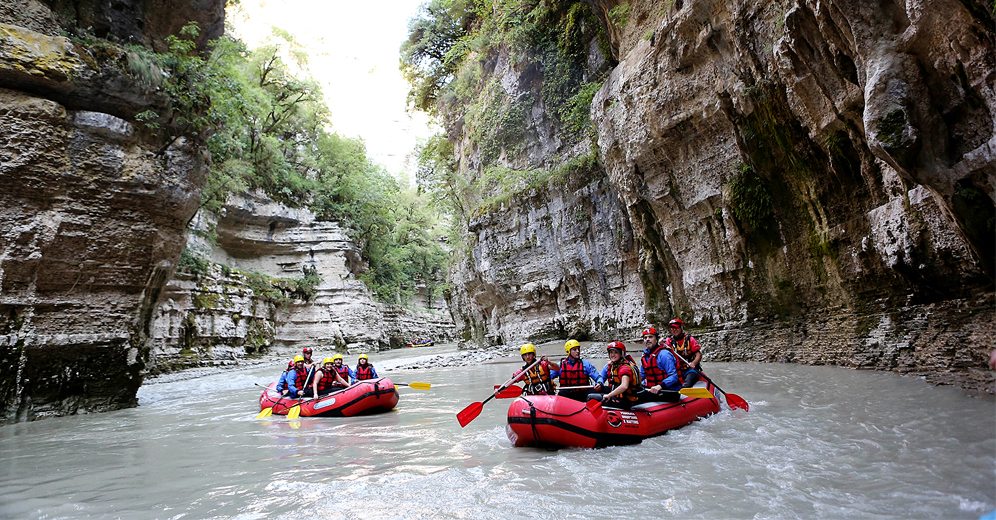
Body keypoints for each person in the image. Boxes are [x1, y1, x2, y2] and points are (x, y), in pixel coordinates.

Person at [588, 341, 643, 408]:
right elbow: (601, 376)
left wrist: (609, 395)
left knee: (591, 397)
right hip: (617, 394)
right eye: (611, 352)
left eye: (616, 352)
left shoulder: (625, 368)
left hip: (626, 399)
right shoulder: (611, 365)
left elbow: (624, 386)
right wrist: (599, 383)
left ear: (621, 354)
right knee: (591, 391)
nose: (613, 355)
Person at [639, 326, 682, 394]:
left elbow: (673, 376)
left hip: (667, 389)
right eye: (645, 338)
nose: (647, 339)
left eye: (650, 337)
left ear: (656, 339)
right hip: (651, 389)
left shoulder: (664, 354)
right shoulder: (645, 356)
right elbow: (642, 375)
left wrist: (660, 386)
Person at [664, 318, 702, 387]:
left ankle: (685, 388)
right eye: (672, 328)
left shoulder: (690, 339)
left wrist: (693, 363)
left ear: (681, 328)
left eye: (676, 328)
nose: (674, 330)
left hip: (689, 369)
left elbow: (698, 355)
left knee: (688, 382)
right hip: (676, 370)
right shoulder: (668, 341)